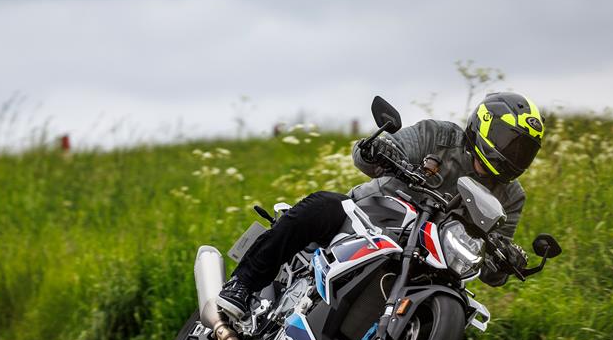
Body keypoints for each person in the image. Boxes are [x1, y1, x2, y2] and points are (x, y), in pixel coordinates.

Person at [218, 92, 544, 319]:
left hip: (429, 262)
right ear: (484, 126)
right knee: (323, 205)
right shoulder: (438, 135)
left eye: (522, 151)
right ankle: (241, 284)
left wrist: (506, 260)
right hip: (373, 219)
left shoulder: (511, 196)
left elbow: (490, 270)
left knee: (459, 304)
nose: (513, 155)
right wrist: (379, 150)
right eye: (509, 143)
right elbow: (367, 157)